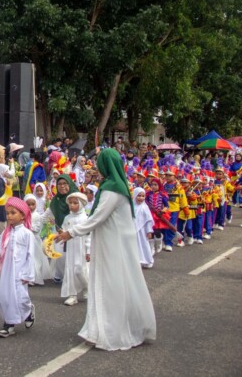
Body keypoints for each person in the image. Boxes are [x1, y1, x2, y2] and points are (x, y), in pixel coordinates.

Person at [56, 148, 156, 351]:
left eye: (99, 163)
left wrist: (71, 233)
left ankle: (109, 331)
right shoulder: (118, 186)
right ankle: (100, 329)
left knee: (108, 284)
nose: (96, 167)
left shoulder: (111, 189)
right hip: (114, 242)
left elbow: (97, 217)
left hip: (112, 245)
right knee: (113, 283)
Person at [0, 197, 35, 338]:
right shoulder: (6, 233)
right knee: (5, 297)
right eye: (8, 213)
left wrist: (27, 274)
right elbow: (0, 249)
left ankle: (28, 312)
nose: (9, 216)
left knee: (20, 298)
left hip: (19, 272)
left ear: (22, 215)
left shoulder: (27, 234)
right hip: (7, 271)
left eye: (13, 213)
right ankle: (9, 325)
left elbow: (30, 255)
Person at [61, 192, 90, 306]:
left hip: (81, 247)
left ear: (81, 204)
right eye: (70, 203)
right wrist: (60, 233)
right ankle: (72, 295)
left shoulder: (85, 219)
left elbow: (89, 236)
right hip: (71, 247)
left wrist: (89, 251)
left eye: (75, 203)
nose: (71, 205)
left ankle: (87, 287)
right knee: (70, 270)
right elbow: (64, 230)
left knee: (79, 269)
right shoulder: (67, 217)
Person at [24, 193, 52, 286]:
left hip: (35, 240)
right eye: (28, 204)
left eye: (33, 204)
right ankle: (27, 276)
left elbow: (37, 228)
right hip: (25, 240)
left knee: (35, 259)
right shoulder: (23, 215)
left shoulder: (37, 216)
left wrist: (28, 227)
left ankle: (34, 277)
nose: (31, 207)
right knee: (26, 258)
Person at [133, 187, 154, 269]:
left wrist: (149, 231)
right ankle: (136, 260)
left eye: (143, 196)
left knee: (144, 244)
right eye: (139, 196)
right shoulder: (131, 206)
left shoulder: (144, 207)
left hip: (142, 230)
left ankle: (148, 260)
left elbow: (148, 220)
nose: (141, 198)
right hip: (133, 229)